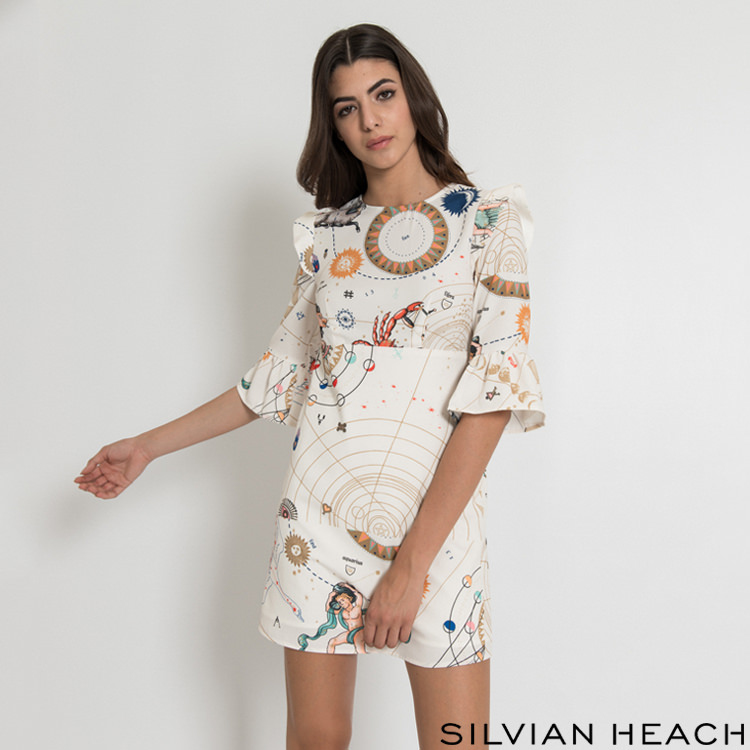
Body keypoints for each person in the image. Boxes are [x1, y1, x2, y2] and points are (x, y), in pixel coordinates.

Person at [75, 23, 545, 750]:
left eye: (383, 95)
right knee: (314, 741)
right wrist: (145, 446)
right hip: (317, 527)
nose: (370, 121)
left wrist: (411, 568)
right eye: (347, 108)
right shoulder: (327, 239)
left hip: (439, 539)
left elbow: (492, 399)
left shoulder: (489, 224)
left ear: (415, 99)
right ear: (334, 125)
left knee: (461, 741)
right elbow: (273, 379)